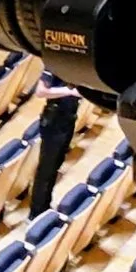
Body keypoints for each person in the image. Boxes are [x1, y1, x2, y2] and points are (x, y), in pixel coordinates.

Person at [29, 73, 82, 217]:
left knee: (55, 166)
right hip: (55, 119)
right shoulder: (53, 64)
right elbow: (40, 91)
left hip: (68, 119)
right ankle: (37, 212)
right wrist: (70, 92)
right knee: (46, 170)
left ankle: (44, 207)